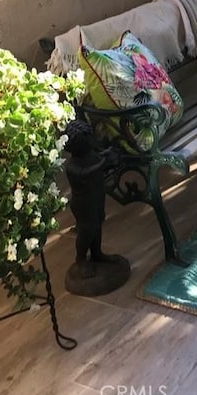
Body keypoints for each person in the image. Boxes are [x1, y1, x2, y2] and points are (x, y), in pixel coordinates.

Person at [64, 118, 121, 278]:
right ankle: (81, 259)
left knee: (98, 224)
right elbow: (85, 173)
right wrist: (103, 162)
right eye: (88, 139)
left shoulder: (90, 154)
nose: (91, 142)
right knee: (86, 230)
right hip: (83, 203)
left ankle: (97, 253)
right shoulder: (72, 166)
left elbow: (98, 159)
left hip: (96, 194)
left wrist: (107, 155)